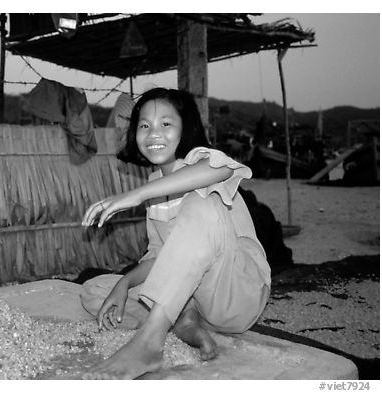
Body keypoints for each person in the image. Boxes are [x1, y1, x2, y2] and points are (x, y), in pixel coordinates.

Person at [80, 88, 271, 379]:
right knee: (96, 292)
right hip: (195, 297)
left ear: (186, 127)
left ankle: (148, 342)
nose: (153, 133)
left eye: (166, 124)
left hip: (234, 294)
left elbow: (222, 170)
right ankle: (185, 320)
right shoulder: (155, 183)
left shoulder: (201, 162)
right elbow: (160, 257)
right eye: (144, 125)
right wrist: (124, 283)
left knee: (201, 202)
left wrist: (133, 196)